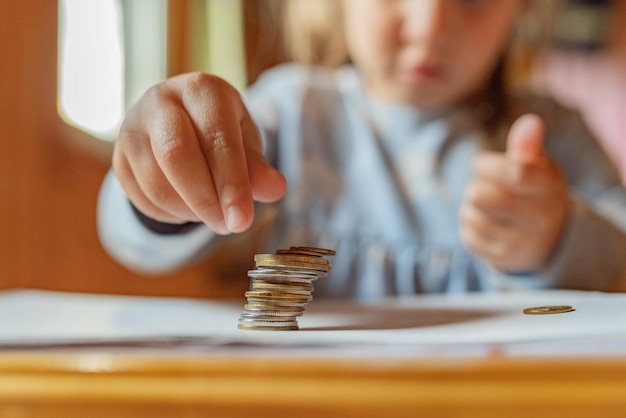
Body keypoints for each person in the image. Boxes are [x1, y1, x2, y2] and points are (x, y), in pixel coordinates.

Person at [97, 0, 626, 299]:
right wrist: (166, 177)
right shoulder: (293, 112)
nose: (429, 25)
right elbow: (135, 242)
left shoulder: (554, 136)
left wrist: (556, 237)